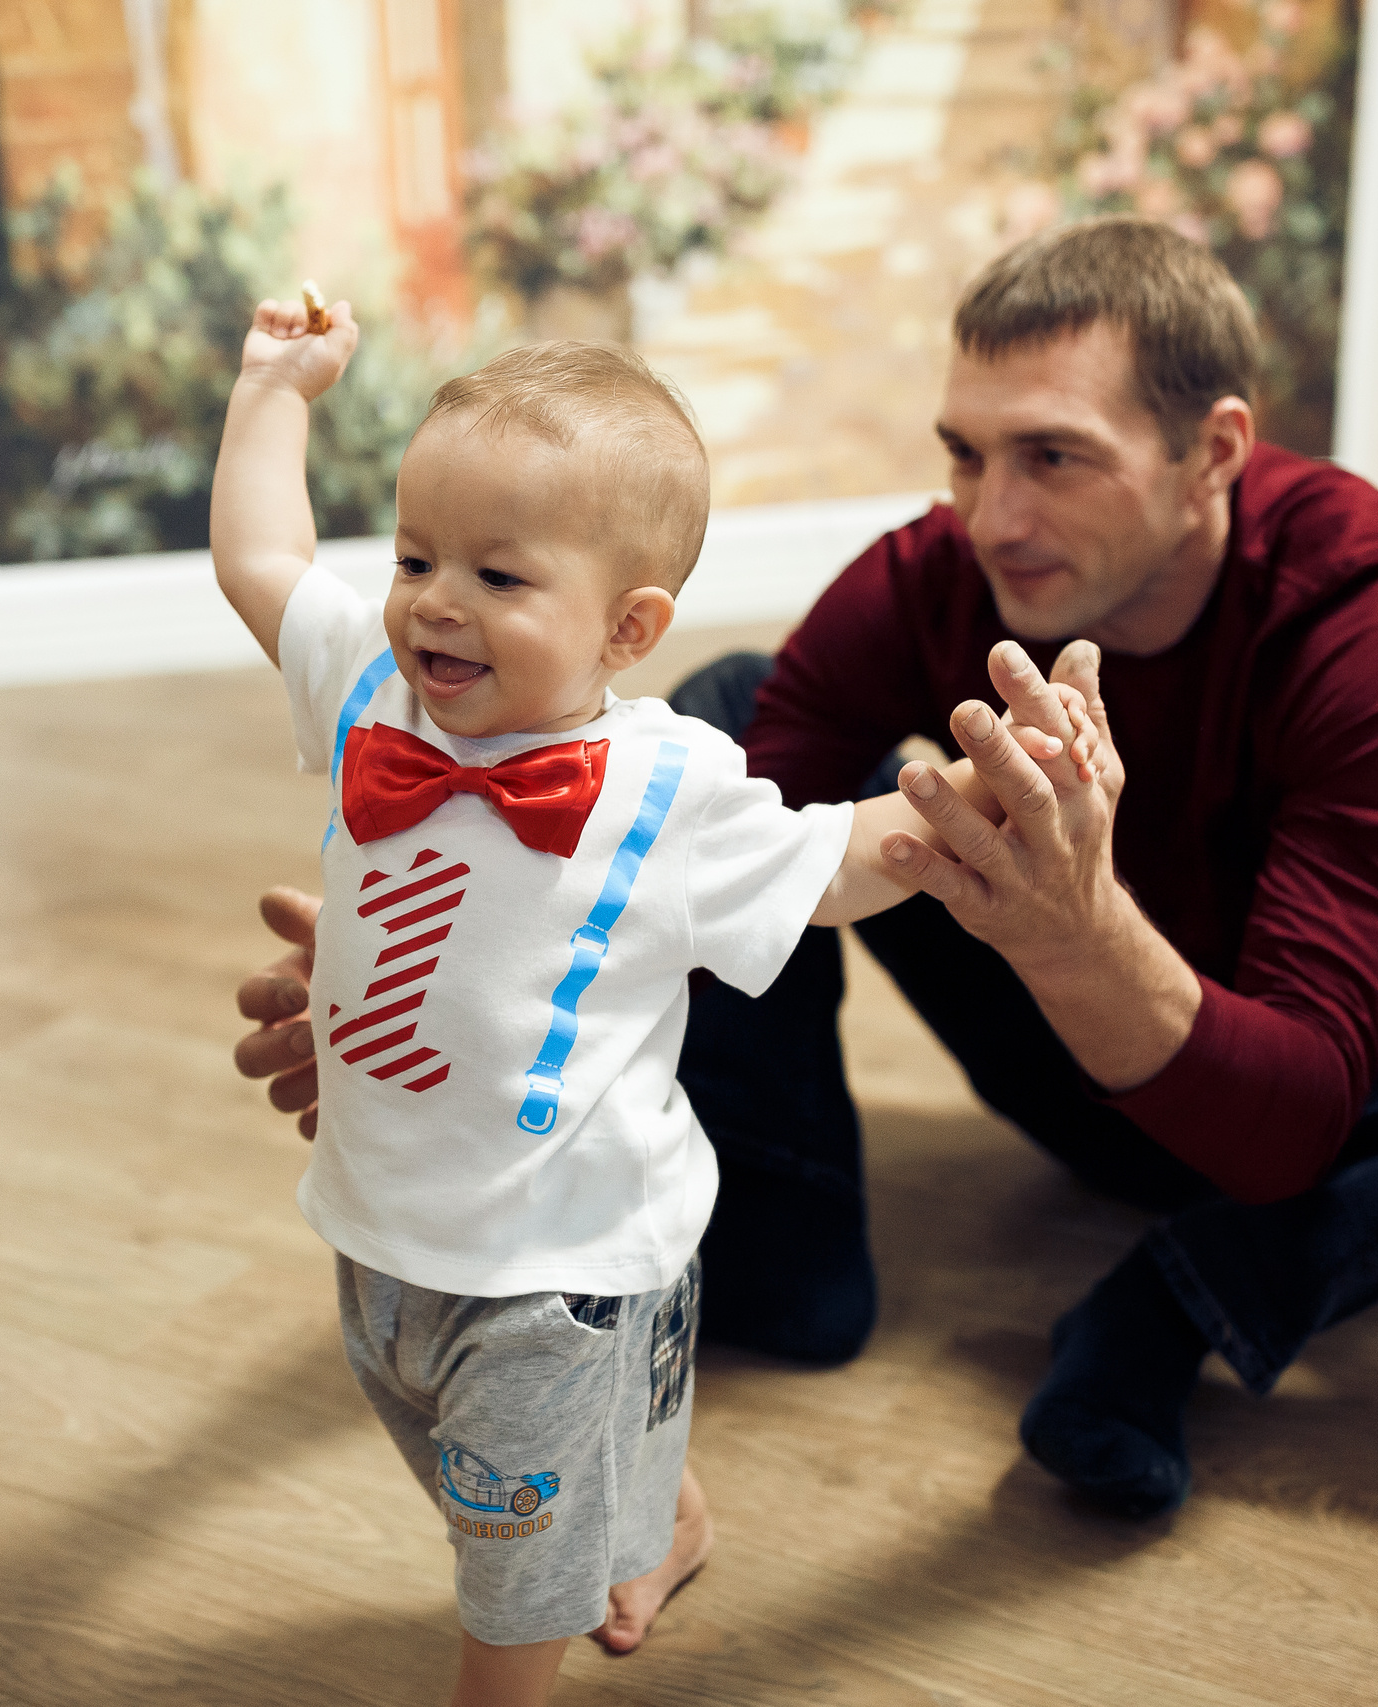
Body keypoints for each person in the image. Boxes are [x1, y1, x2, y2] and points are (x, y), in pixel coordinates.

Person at [236, 217, 1378, 1524]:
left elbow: (1291, 1120)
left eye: (1054, 456)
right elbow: (672, 852)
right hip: (1088, 1072)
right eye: (967, 453)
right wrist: (451, 983)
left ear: (1214, 452)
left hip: (1363, 1131)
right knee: (725, 713)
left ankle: (1173, 1303)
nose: (993, 513)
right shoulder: (946, 571)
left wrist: (1078, 928)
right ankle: (784, 1260)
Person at [211, 298, 1095, 1702]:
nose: (436, 599)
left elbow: (839, 859)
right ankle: (653, 1511)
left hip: (560, 1258)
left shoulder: (667, 785)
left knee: (510, 1548)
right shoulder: (375, 694)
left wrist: (997, 789)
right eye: (416, 556)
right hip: (380, 1223)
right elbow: (261, 557)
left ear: (629, 626)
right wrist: (275, 388)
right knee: (469, 1470)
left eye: (500, 575)